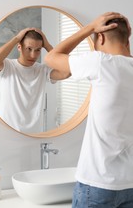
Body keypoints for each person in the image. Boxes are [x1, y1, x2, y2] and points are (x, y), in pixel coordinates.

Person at [45, 12, 133, 207]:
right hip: (129, 184)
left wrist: (90, 27)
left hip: (97, 184)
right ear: (128, 36)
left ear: (100, 37)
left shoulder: (101, 62)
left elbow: (51, 58)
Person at [0, 27, 69, 133]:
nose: (33, 55)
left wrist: (47, 45)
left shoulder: (42, 70)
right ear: (19, 47)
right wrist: (17, 38)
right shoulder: (7, 66)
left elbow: (67, 71)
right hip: (6, 133)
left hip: (34, 136)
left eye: (38, 50)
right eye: (29, 49)